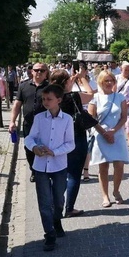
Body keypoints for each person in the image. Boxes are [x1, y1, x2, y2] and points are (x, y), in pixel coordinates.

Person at [24, 84, 75, 251]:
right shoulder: (39, 118)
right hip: (40, 167)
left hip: (59, 164)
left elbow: (70, 144)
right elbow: (29, 138)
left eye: (49, 99)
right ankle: (49, 234)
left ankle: (56, 219)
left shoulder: (67, 119)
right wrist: (34, 148)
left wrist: (55, 152)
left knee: (58, 200)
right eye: (43, 99)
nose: (45, 102)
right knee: (44, 202)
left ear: (58, 100)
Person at [49, 69, 98, 218]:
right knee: (74, 175)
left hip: (56, 139)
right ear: (65, 83)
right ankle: (69, 208)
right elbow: (91, 95)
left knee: (59, 175)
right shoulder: (74, 97)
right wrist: (82, 79)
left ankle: (54, 206)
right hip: (76, 137)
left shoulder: (50, 98)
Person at [88, 70, 129, 208]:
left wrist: (113, 131)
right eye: (106, 80)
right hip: (101, 135)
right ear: (100, 82)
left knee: (119, 165)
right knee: (103, 166)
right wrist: (105, 133)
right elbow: (91, 119)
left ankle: (116, 190)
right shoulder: (95, 98)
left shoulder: (120, 97)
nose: (109, 83)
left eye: (111, 80)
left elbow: (124, 117)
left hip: (117, 134)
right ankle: (105, 195)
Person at [10, 63, 50, 183]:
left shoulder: (50, 87)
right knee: (29, 148)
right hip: (29, 123)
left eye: (42, 70)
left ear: (46, 73)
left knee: (44, 146)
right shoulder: (24, 86)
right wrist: (12, 121)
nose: (39, 72)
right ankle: (33, 169)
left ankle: (44, 170)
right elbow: (17, 105)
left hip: (46, 124)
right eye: (36, 70)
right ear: (32, 71)